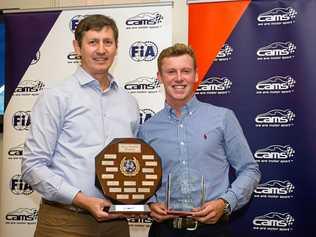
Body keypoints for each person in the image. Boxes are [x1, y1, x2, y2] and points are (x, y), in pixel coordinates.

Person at [21, 14, 139, 237]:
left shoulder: (129, 102)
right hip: (65, 222)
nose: (101, 50)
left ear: (116, 47)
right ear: (77, 47)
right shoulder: (56, 97)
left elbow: (132, 163)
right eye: (93, 42)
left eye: (108, 42)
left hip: (116, 223)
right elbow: (32, 166)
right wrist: (81, 199)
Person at [137, 43, 261, 237]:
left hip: (212, 230)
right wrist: (150, 202)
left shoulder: (222, 118)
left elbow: (250, 170)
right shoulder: (147, 129)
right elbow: (141, 179)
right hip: (164, 231)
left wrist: (226, 202)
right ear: (159, 77)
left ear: (195, 75)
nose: (179, 78)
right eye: (171, 72)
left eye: (185, 71)